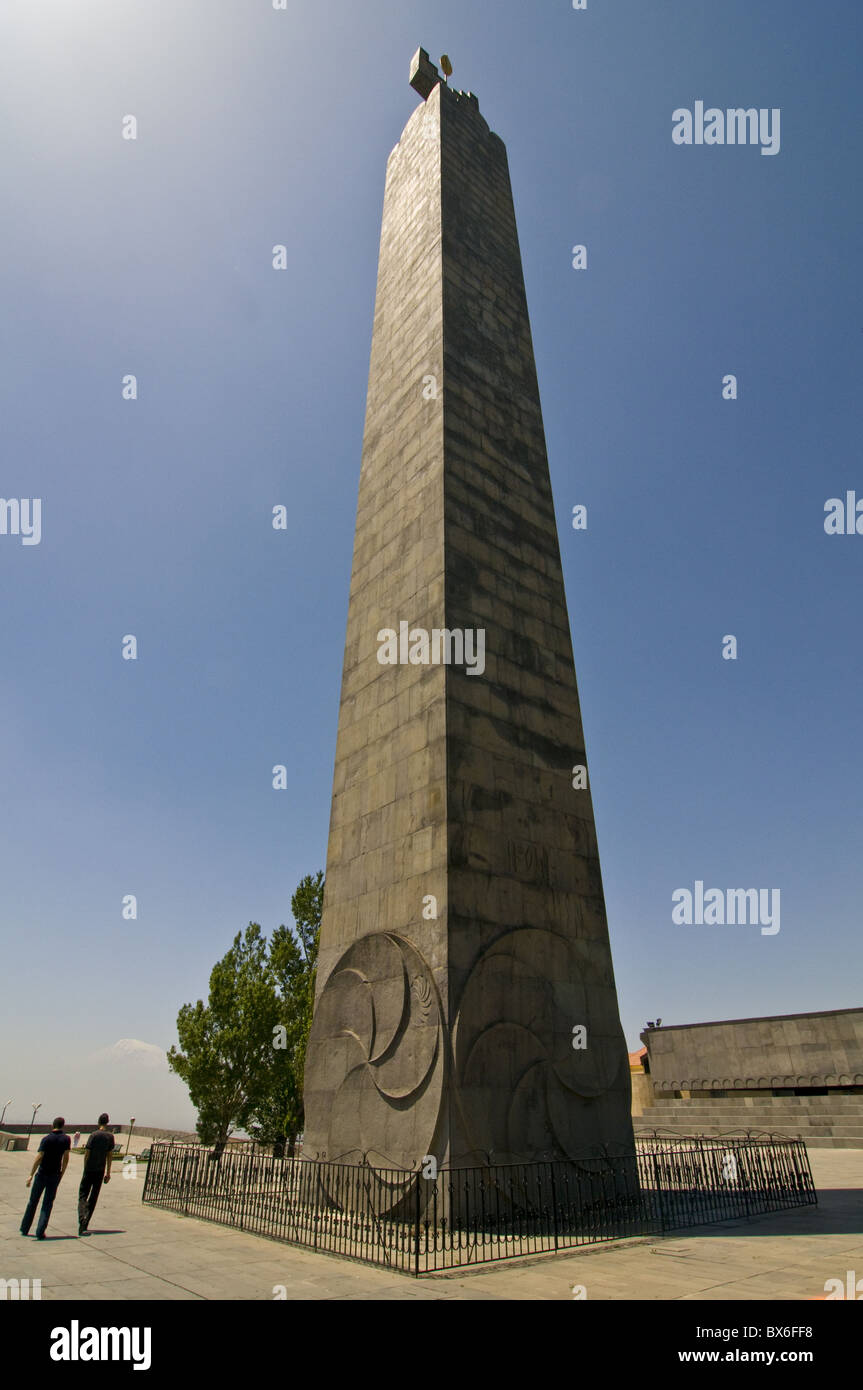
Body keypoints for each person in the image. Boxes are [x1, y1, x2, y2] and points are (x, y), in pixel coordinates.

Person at [20, 1116, 71, 1239]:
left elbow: (39, 1157)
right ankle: (40, 1231)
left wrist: (31, 1175)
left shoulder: (46, 1139)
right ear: (63, 1126)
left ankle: (25, 1228)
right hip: (54, 1175)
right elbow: (66, 1158)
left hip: (42, 1174)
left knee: (33, 1202)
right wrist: (61, 1173)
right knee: (47, 1204)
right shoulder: (66, 1139)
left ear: (52, 1125)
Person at [78, 1113, 115, 1235]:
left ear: (99, 1122)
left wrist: (85, 1168)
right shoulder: (110, 1137)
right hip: (100, 1171)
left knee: (83, 1195)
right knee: (93, 1197)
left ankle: (82, 1217)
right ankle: (85, 1222)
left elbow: (87, 1153)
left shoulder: (93, 1135)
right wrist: (108, 1173)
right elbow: (110, 1156)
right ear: (107, 1122)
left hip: (89, 1170)